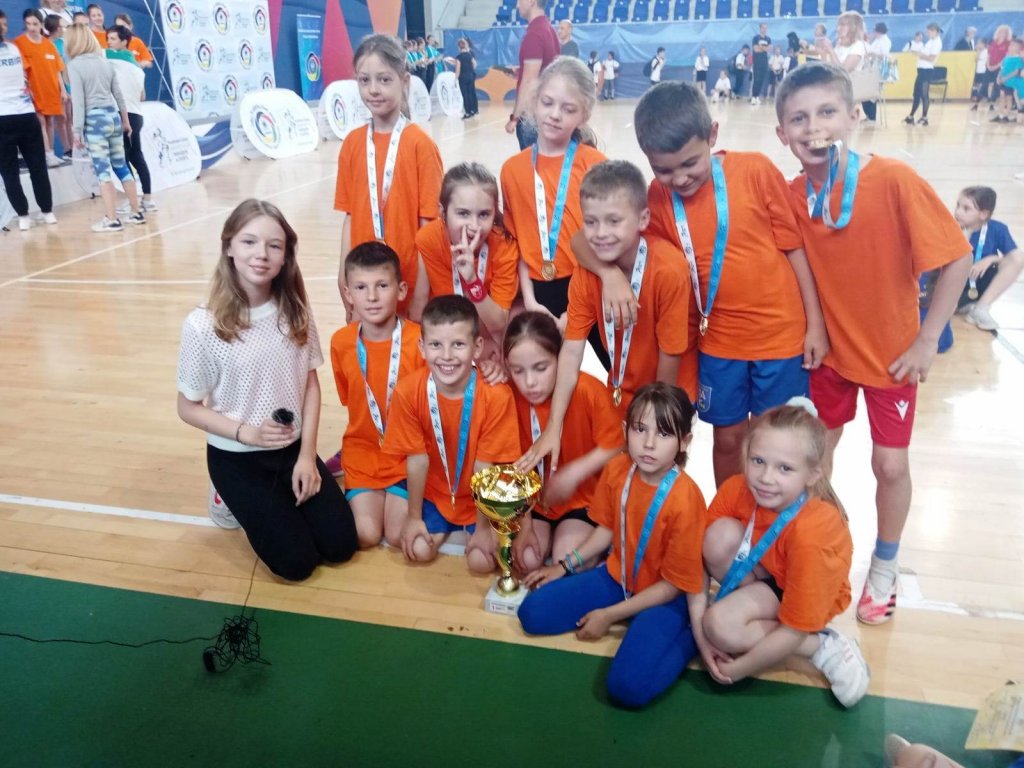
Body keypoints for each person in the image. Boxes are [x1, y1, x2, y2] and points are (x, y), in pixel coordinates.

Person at [774, 63, 971, 624]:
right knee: (816, 460)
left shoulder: (892, 180)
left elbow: (957, 258)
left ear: (854, 116)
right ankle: (820, 547)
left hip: (892, 358)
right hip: (829, 356)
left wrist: (927, 340)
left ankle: (884, 563)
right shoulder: (791, 196)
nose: (814, 128)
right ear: (782, 133)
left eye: (827, 112)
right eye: (799, 118)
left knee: (889, 465)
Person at [596, 81, 828, 488]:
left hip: (781, 338)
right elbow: (587, 239)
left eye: (690, 162)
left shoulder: (755, 170)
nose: (680, 177)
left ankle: (773, 518)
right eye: (664, 169)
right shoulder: (656, 199)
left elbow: (795, 250)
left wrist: (816, 325)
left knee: (777, 442)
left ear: (713, 135)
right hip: (718, 345)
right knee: (728, 439)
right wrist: (608, 273)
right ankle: (730, 511)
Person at [176, 199, 359, 580]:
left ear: (286, 255)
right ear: (229, 246)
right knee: (297, 565)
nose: (261, 254)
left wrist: (307, 457)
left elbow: (310, 385)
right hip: (236, 455)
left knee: (341, 545)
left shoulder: (295, 309)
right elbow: (188, 407)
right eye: (249, 242)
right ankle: (225, 495)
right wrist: (248, 433)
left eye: (274, 245)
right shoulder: (202, 325)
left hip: (290, 449)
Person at [518, 383, 707, 709]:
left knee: (626, 688)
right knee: (531, 614)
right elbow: (605, 532)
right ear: (625, 430)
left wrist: (608, 615)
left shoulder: (687, 499)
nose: (649, 443)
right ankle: (633, 620)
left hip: (663, 598)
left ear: (684, 442)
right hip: (616, 579)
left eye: (664, 434)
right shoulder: (618, 470)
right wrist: (562, 567)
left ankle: (690, 637)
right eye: (640, 429)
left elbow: (672, 587)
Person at [691, 398, 869, 708]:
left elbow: (794, 629)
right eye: (758, 461)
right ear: (746, 455)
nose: (766, 477)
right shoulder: (737, 488)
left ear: (812, 474)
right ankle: (748, 613)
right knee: (717, 537)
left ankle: (822, 647)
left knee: (720, 627)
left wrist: (737, 670)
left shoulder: (814, 535)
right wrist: (699, 634)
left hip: (810, 593)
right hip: (773, 574)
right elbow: (696, 563)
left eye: (785, 468)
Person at [519, 160, 692, 479]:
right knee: (622, 479)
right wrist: (553, 427)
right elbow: (571, 352)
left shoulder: (669, 270)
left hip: (666, 396)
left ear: (643, 219)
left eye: (613, 221)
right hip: (621, 391)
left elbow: (670, 361)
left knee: (656, 477)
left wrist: (655, 423)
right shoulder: (588, 274)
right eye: (591, 222)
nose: (600, 233)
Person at [382, 295, 521, 570]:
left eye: (458, 344)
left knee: (481, 563)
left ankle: (469, 529)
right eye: (436, 344)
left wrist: (484, 528)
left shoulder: (496, 395)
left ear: (477, 347)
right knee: (417, 549)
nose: (446, 356)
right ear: (422, 347)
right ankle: (444, 524)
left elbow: (485, 466)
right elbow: (417, 460)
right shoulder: (408, 392)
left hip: (479, 495)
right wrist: (414, 518)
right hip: (436, 493)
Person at [499, 56, 610, 370]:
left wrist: (579, 304)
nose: (555, 114)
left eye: (568, 109)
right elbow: (516, 243)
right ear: (535, 101)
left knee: (619, 369)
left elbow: (608, 241)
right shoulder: (512, 170)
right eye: (547, 103)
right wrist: (530, 300)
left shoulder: (594, 165)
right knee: (548, 379)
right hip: (538, 292)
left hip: (589, 286)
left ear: (584, 114)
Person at [334, 33, 442, 321]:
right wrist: (343, 272)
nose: (373, 89)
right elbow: (350, 217)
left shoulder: (420, 145)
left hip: (409, 281)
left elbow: (430, 227)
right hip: (364, 282)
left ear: (404, 82)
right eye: (364, 80)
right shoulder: (352, 144)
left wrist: (421, 293)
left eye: (384, 79)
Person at [504, 312, 622, 573]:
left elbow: (618, 446)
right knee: (527, 560)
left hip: (583, 501)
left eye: (541, 368)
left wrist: (574, 473)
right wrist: (524, 523)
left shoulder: (587, 390)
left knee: (566, 560)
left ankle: (603, 545)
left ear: (560, 357)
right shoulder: (507, 397)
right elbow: (510, 466)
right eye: (518, 371)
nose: (530, 382)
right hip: (535, 503)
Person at [331, 242, 425, 548]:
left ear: (401, 290)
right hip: (363, 454)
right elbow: (350, 398)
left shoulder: (420, 341)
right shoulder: (341, 342)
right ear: (348, 294)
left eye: (382, 286)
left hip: (407, 457)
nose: (371, 297)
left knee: (398, 536)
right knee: (366, 535)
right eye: (361, 287)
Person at [416, 162, 519, 360]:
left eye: (484, 214)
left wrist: (472, 280)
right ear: (442, 213)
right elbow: (422, 311)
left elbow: (499, 323)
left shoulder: (504, 245)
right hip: (449, 336)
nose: (473, 226)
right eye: (463, 213)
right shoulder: (429, 239)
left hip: (491, 338)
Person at [64, 23, 144, 232]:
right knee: (121, 166)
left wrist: (76, 131)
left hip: (94, 122)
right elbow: (118, 95)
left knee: (103, 172)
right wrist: (125, 121)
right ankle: (136, 212)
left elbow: (78, 102)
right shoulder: (105, 62)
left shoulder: (74, 66)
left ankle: (112, 219)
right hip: (113, 117)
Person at [0, 9, 57, 232]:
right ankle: (47, 212)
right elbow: (25, 77)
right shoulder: (15, 47)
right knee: (37, 165)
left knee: (9, 171)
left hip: (4, 118)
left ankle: (23, 216)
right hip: (26, 114)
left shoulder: (15, 46)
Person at [950, 186, 1023, 332]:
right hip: (952, 286)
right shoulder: (950, 227)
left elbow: (1014, 258)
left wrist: (991, 258)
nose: (958, 212)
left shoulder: (997, 229)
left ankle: (980, 308)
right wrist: (964, 238)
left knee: (1018, 258)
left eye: (966, 208)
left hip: (978, 283)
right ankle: (961, 305)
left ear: (983, 214)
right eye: (958, 206)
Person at [106, 24, 156, 214]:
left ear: (124, 42)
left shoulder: (111, 57)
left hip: (123, 114)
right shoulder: (137, 66)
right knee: (136, 156)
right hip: (137, 114)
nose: (108, 43)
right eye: (108, 39)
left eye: (113, 39)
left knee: (124, 158)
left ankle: (133, 200)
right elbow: (142, 95)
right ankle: (147, 199)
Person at [14, 9, 67, 167]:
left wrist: (63, 90)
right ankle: (47, 153)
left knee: (49, 121)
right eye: (28, 24)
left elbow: (57, 70)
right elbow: (21, 71)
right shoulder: (19, 43)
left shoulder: (48, 44)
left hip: (50, 89)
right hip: (33, 91)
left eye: (35, 24)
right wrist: (26, 89)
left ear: (41, 24)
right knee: (40, 122)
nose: (32, 27)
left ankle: (50, 152)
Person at [506, 0, 559, 150]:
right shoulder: (548, 29)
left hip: (532, 116)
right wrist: (523, 69)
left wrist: (515, 117)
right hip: (545, 111)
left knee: (532, 162)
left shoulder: (535, 35)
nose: (517, 5)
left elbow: (529, 81)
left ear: (531, 2)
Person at [904, 23, 942, 126]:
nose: (928, 33)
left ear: (936, 32)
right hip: (921, 70)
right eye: (928, 31)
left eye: (930, 31)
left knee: (924, 94)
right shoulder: (930, 41)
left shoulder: (937, 43)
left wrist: (919, 54)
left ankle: (924, 118)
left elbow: (931, 58)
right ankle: (911, 116)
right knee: (916, 93)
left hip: (926, 71)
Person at [864, 22, 892, 121]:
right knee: (866, 93)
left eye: (875, 31)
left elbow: (885, 56)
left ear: (879, 31)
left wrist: (873, 54)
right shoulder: (877, 40)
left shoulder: (885, 41)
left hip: (881, 69)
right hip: (872, 68)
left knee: (872, 94)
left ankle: (872, 117)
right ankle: (869, 115)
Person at [992, 38, 1022, 124]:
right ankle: (1000, 114)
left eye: (1013, 45)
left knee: (1008, 99)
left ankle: (1005, 115)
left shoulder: (1018, 59)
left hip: (1010, 83)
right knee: (1002, 97)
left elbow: (1016, 72)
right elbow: (1002, 68)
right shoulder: (1007, 57)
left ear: (1018, 48)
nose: (1010, 47)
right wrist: (998, 77)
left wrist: (1005, 78)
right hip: (1003, 81)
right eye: (1010, 45)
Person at [986, 25, 1013, 109]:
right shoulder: (993, 42)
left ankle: (1003, 105)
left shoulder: (1008, 43)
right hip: (990, 66)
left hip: (1001, 67)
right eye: (1000, 31)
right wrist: (988, 64)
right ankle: (991, 102)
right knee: (989, 84)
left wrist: (998, 65)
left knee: (999, 86)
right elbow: (989, 54)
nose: (1001, 33)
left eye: (1004, 32)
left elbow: (1007, 56)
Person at [454, 37, 478, 118]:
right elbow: (475, 64)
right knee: (470, 93)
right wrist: (470, 69)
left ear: (459, 47)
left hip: (463, 77)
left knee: (465, 95)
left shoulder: (458, 57)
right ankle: (472, 110)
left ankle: (467, 112)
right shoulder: (469, 55)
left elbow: (458, 69)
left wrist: (455, 79)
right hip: (470, 76)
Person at [751, 24, 771, 105]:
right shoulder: (756, 38)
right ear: (760, 28)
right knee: (756, 79)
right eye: (763, 28)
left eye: (766, 28)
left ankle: (757, 96)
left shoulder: (768, 39)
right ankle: (753, 97)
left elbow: (769, 49)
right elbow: (756, 49)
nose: (764, 29)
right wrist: (764, 48)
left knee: (761, 80)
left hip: (764, 62)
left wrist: (761, 47)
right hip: (757, 62)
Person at [970, 38, 990, 109]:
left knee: (980, 87)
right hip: (977, 71)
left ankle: (979, 102)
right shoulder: (980, 51)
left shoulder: (985, 51)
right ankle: (977, 100)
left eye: (980, 43)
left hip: (982, 71)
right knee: (975, 86)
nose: (978, 45)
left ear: (984, 44)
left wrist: (978, 50)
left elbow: (977, 58)